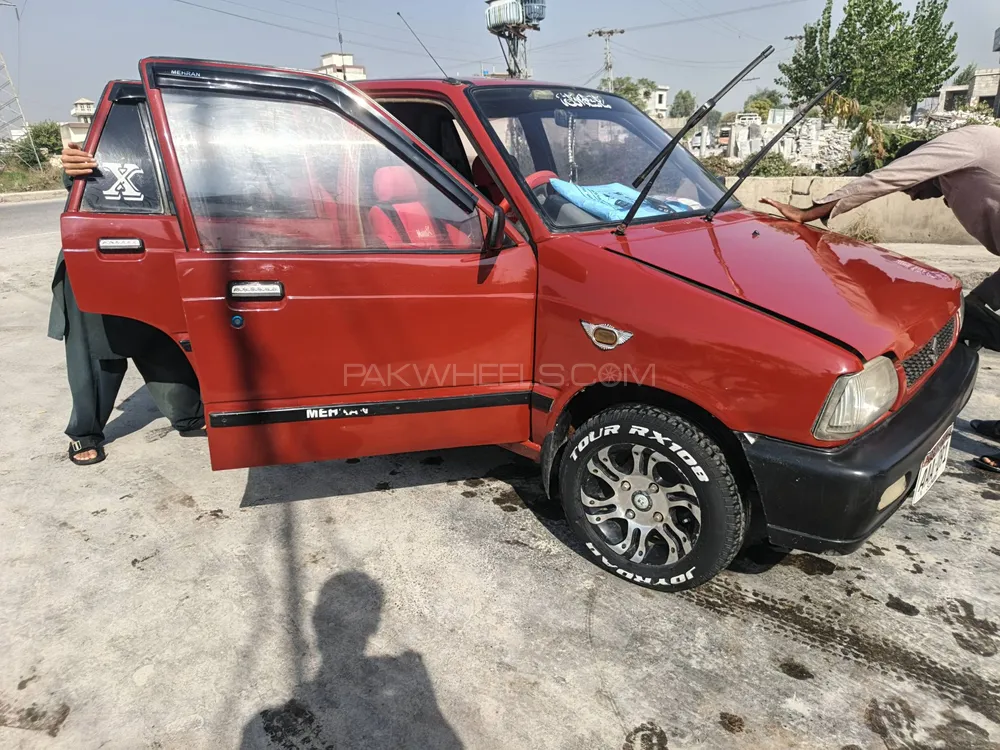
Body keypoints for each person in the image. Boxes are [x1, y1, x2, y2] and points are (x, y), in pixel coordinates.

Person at [759, 125, 1000, 471]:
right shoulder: (961, 169)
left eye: (911, 189)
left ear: (923, 165)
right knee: (969, 314)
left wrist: (814, 212)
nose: (911, 196)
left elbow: (888, 177)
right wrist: (975, 302)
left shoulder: (964, 144)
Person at [53, 144, 205, 465]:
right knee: (96, 352)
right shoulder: (126, 119)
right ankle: (85, 432)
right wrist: (74, 170)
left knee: (161, 336)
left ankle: (186, 412)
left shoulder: (183, 135)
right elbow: (87, 175)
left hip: (161, 248)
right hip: (100, 249)